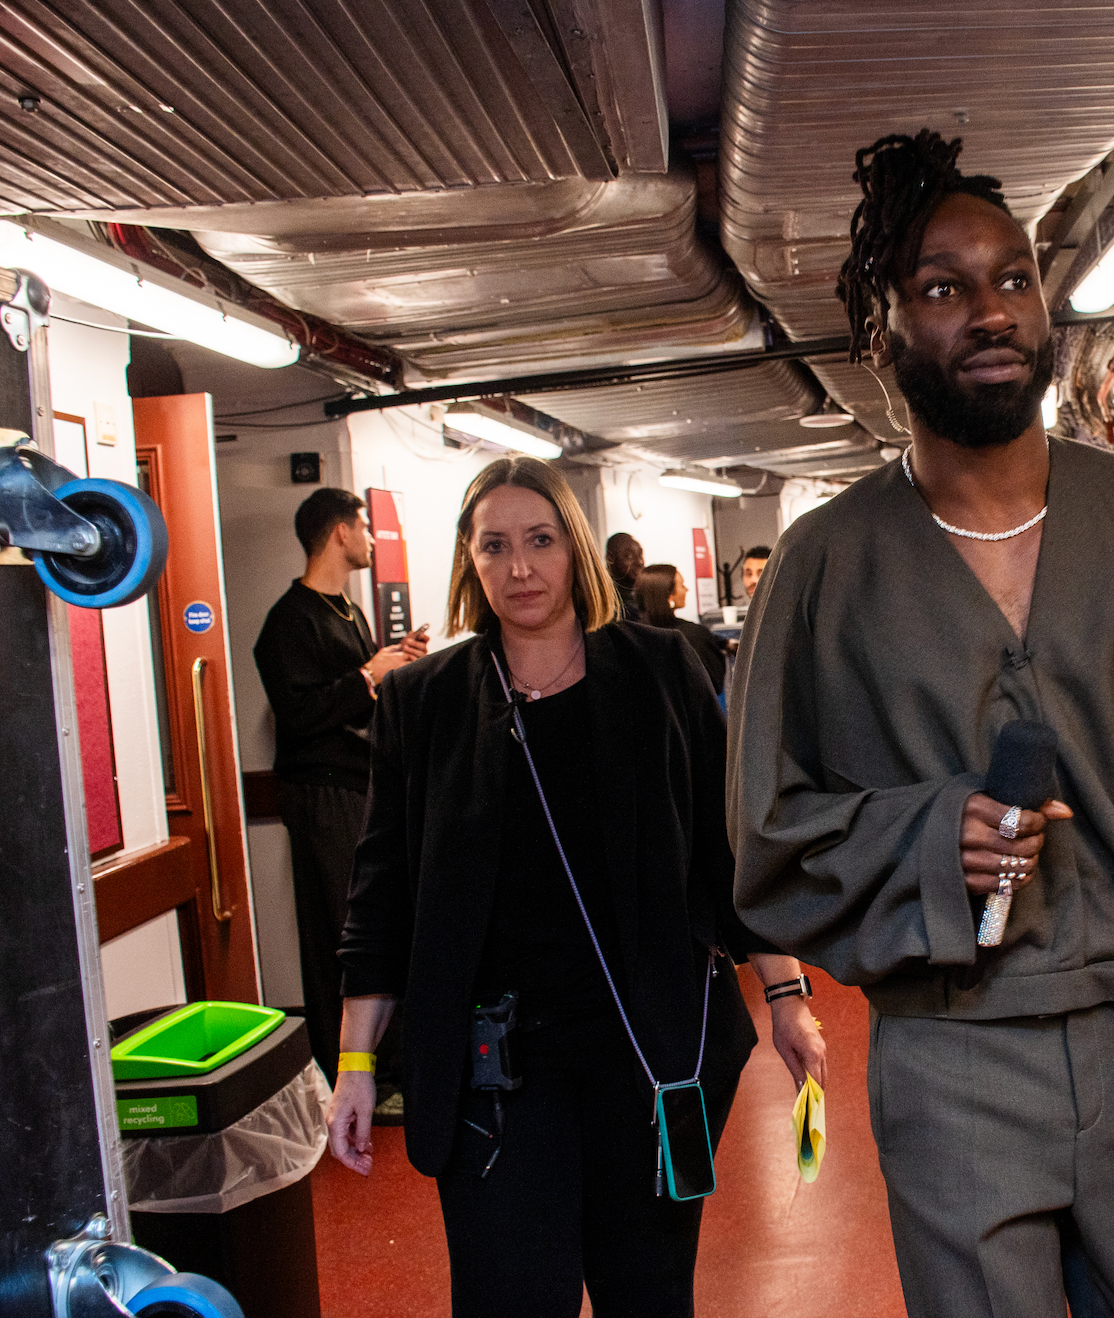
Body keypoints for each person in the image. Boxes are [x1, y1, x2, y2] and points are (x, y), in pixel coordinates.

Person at [727, 130, 1114, 1318]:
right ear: (885, 334)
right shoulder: (822, 570)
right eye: (941, 287)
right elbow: (766, 836)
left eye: (1011, 277)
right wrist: (926, 838)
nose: (989, 311)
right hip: (948, 1050)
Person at [330, 458, 824, 1318]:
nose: (520, 568)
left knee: (649, 1296)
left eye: (540, 541)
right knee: (510, 1299)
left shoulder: (660, 673)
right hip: (498, 1085)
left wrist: (787, 995)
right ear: (469, 563)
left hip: (644, 1061)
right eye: (495, 546)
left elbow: (724, 855)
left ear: (576, 551)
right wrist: (354, 1063)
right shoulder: (426, 702)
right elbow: (382, 898)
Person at [253, 487, 427, 1112]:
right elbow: (300, 715)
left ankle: (392, 1066)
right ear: (337, 534)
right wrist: (366, 677)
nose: (372, 539)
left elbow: (364, 693)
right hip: (321, 792)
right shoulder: (288, 621)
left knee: (376, 920)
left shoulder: (347, 612)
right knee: (340, 932)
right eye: (364, 527)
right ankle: (353, 1079)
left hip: (361, 786)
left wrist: (396, 669)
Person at [636, 563, 729, 698]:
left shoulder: (632, 636)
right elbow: (713, 683)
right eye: (682, 585)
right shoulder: (692, 636)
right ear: (669, 596)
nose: (686, 590)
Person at [605, 531, 644, 620]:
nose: (639, 562)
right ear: (610, 559)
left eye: (640, 555)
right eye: (629, 556)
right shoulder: (605, 602)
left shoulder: (644, 597)